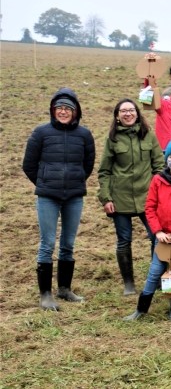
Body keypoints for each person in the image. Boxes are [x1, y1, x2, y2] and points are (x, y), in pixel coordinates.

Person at [24, 88, 96, 310]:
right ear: (53, 110)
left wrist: (73, 182)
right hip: (48, 196)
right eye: (60, 108)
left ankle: (64, 289)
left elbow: (88, 165)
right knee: (47, 244)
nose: (64, 112)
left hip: (74, 196)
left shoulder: (84, 135)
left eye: (68, 108)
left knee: (68, 244)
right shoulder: (40, 133)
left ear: (76, 112)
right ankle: (46, 295)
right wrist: (45, 182)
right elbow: (28, 165)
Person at [123, 139, 171, 321]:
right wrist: (158, 232)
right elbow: (150, 207)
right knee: (155, 270)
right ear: (166, 158)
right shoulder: (158, 180)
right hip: (162, 236)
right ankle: (141, 309)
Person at [98, 98, 164, 296]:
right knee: (124, 240)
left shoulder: (149, 136)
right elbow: (104, 171)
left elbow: (159, 166)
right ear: (117, 116)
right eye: (123, 111)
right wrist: (106, 198)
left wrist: (157, 192)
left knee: (156, 237)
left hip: (147, 198)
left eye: (131, 110)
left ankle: (157, 276)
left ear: (137, 113)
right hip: (120, 197)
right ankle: (129, 284)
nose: (128, 114)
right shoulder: (112, 140)